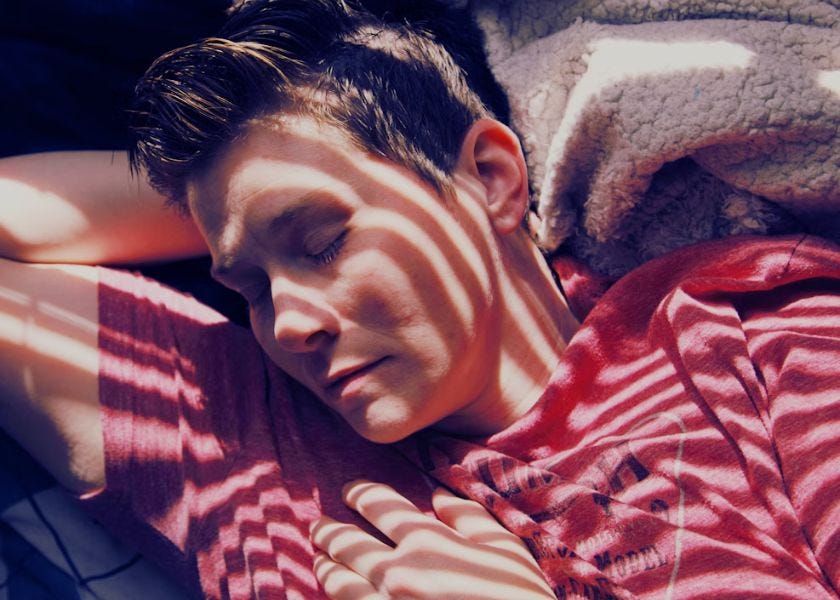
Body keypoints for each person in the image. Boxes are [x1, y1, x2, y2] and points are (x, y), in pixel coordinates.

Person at [1, 1, 839, 599]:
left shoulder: (740, 325)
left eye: (323, 242)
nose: (288, 323)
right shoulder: (269, 459)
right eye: (249, 286)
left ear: (492, 178)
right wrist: (227, 196)